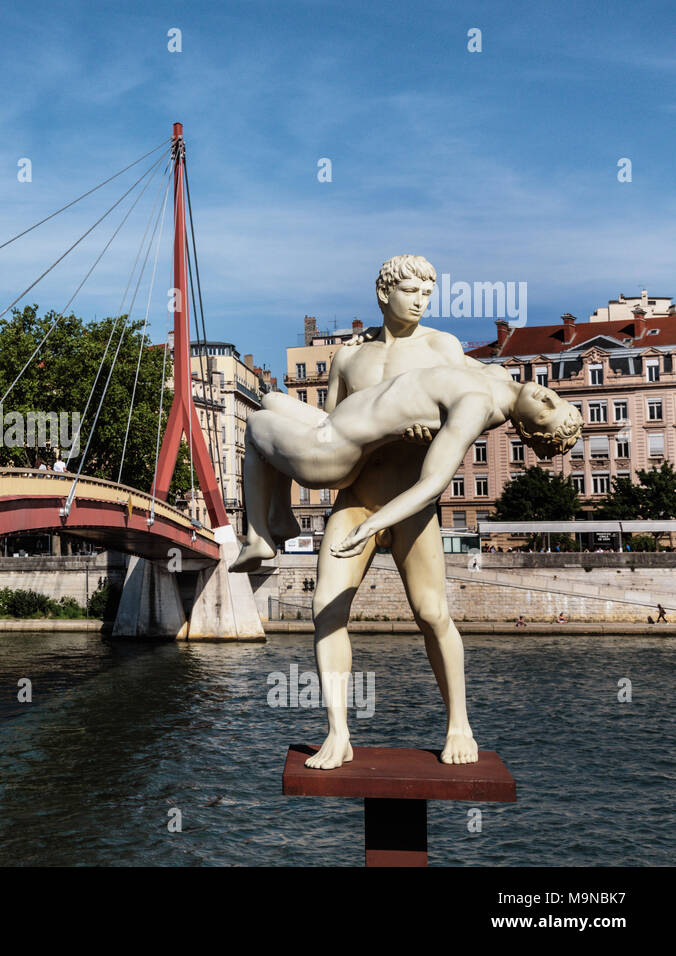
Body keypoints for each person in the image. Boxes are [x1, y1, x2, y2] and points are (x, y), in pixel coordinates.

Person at [293, 254, 538, 771]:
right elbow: (329, 429)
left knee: (431, 614)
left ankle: (459, 723)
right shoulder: (346, 361)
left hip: (413, 501)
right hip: (357, 496)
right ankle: (337, 732)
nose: (421, 301)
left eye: (428, 293)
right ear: (384, 294)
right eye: (411, 291)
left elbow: (487, 402)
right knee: (326, 610)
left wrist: (433, 433)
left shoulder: (442, 347)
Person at [231, 364, 581, 569]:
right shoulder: (499, 374)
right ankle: (281, 518)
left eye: (547, 413)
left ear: (525, 429)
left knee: (256, 425)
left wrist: (371, 525)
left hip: (331, 451)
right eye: (558, 401)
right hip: (329, 423)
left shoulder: (477, 407)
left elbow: (432, 484)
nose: (547, 397)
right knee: (271, 399)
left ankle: (259, 536)